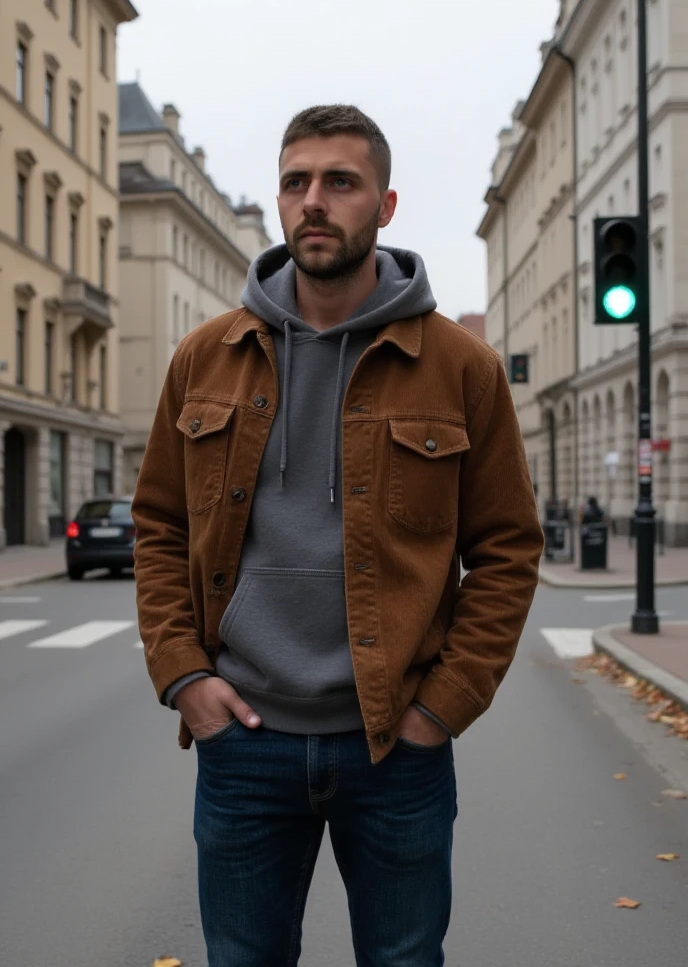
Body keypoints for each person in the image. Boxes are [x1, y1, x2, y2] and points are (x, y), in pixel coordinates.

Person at [133, 105, 544, 967]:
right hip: (244, 746)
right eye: (296, 182)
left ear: (385, 205)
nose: (314, 201)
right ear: (280, 201)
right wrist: (183, 676)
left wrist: (443, 706)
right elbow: (160, 527)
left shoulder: (460, 367)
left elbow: (507, 547)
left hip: (396, 746)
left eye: (340, 183)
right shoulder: (204, 358)